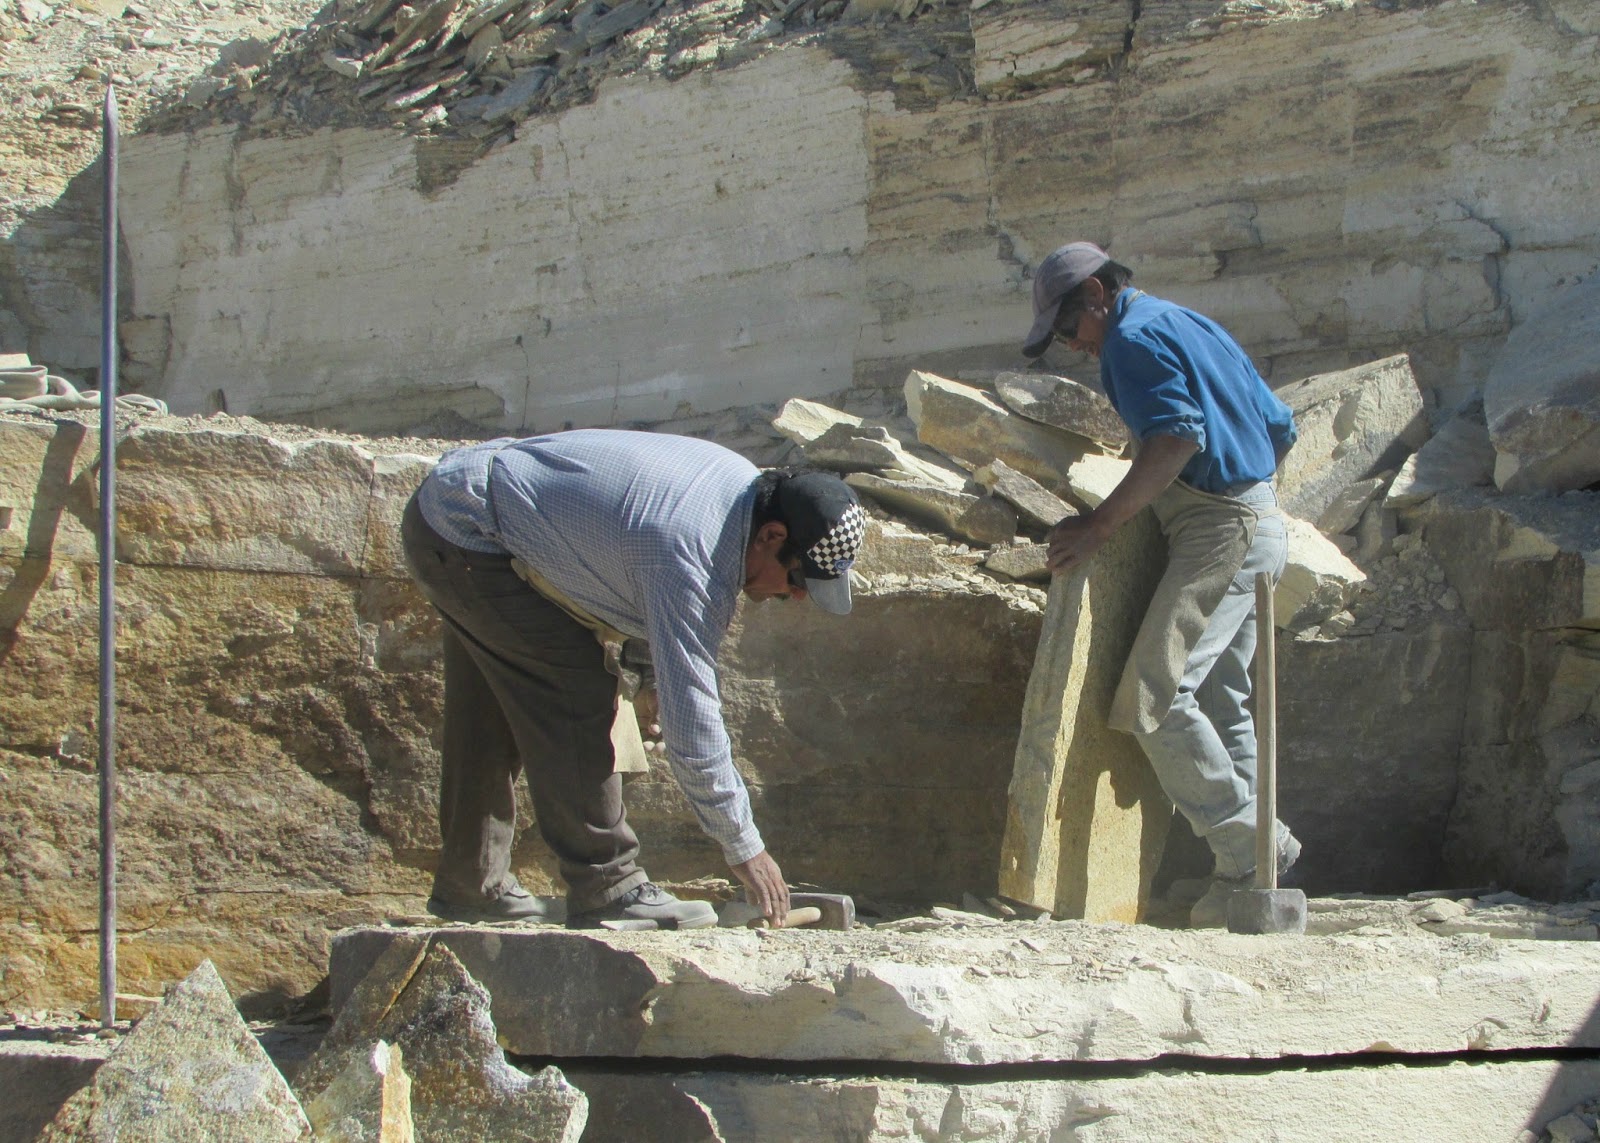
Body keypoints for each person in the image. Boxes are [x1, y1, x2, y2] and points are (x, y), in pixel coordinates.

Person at [400, 428, 867, 930]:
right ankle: (610, 887)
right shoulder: (694, 555)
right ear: (771, 536)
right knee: (573, 688)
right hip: (470, 533)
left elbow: (635, 563)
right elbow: (695, 727)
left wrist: (649, 676)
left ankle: (470, 886)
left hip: (452, 510)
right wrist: (744, 847)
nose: (797, 597)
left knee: (492, 706)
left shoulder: (739, 491)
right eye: (797, 579)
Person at [1021, 241, 1302, 928]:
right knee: (1221, 696)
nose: (1075, 347)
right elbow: (1280, 426)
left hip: (1224, 528)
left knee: (1154, 696)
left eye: (1068, 330)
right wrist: (1248, 499)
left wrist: (1100, 526)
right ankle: (1250, 882)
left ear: (1095, 294)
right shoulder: (1187, 321)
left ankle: (1254, 846)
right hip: (1259, 516)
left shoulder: (1130, 338)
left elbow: (1176, 436)